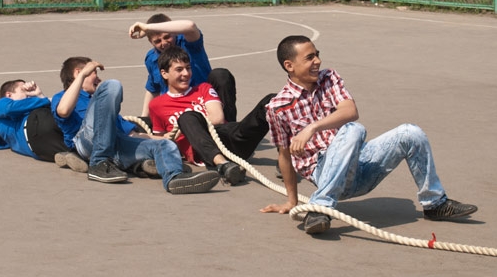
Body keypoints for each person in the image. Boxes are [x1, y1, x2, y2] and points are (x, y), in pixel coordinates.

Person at [261, 35, 478, 235]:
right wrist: (292, 200)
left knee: (410, 133)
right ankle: (320, 208)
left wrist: (311, 128)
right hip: (325, 172)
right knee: (353, 130)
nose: (317, 61)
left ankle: (435, 203)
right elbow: (284, 155)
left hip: (360, 165)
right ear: (289, 65)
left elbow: (350, 112)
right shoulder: (277, 108)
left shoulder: (329, 78)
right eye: (310, 57)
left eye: (318, 54)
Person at [51, 56, 220, 194]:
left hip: (116, 145)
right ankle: (99, 163)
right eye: (94, 73)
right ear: (78, 72)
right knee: (112, 85)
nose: (98, 78)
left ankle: (174, 178)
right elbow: (64, 111)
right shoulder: (62, 96)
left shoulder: (104, 106)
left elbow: (132, 135)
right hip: (87, 142)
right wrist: (81, 77)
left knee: (164, 145)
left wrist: (161, 138)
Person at [147, 45, 274, 186]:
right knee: (187, 117)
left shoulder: (203, 88)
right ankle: (224, 166)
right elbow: (160, 139)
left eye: (188, 68)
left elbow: (218, 118)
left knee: (271, 101)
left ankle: (288, 154)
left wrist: (185, 128)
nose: (186, 73)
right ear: (164, 74)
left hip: (226, 138)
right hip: (202, 151)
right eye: (179, 69)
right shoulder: (156, 105)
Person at [128, 14, 237, 121]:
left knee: (220, 75)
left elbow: (190, 26)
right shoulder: (152, 58)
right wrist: (144, 118)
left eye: (167, 37)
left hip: (203, 102)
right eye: (157, 41)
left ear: (174, 32)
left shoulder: (188, 43)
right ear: (150, 42)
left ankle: (228, 127)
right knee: (136, 125)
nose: (164, 43)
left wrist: (147, 28)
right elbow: (153, 89)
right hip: (175, 109)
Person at [0, 78, 88, 172]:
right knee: (69, 117)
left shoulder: (7, 124)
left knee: (80, 148)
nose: (28, 94)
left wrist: (39, 95)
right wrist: (43, 99)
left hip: (38, 151)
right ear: (9, 94)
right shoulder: (1, 103)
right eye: (23, 89)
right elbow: (9, 108)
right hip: (35, 124)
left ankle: (74, 155)